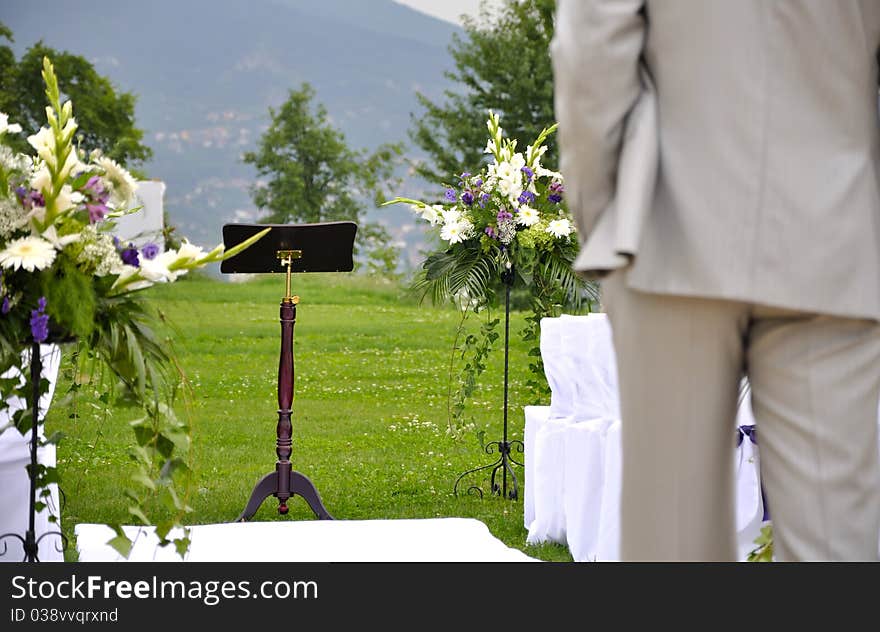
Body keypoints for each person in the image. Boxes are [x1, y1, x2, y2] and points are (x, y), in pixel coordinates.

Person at [550, 0, 880, 561]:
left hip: (669, 230)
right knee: (837, 543)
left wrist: (606, 223)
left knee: (673, 543)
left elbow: (592, 51)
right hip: (834, 233)